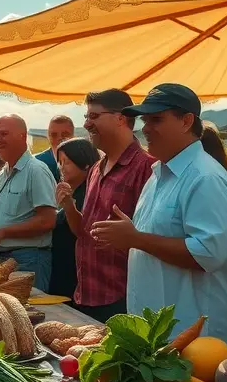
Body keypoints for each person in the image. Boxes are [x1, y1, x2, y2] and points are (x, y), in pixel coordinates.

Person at [91, 83, 227, 345]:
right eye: (145, 120)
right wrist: (129, 236)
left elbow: (207, 254)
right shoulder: (160, 175)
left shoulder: (205, 177)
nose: (145, 128)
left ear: (186, 121)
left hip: (195, 339)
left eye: (156, 119)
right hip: (160, 335)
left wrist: (136, 239)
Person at [60, 89, 157, 322]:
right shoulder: (96, 168)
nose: (86, 124)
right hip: (87, 293)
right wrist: (68, 207)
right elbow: (83, 232)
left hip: (122, 298)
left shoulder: (147, 168)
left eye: (94, 117)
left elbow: (152, 238)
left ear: (121, 118)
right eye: (86, 117)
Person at [0, 115, 57, 291]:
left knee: (30, 315)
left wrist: (2, 232)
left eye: (4, 134)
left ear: (23, 136)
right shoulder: (4, 173)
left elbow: (47, 220)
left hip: (28, 259)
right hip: (3, 260)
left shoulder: (36, 170)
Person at [51, 137, 96, 300]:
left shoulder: (90, 194)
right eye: (60, 162)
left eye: (67, 162)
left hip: (76, 274)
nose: (61, 168)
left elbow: (83, 230)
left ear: (84, 163)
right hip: (62, 269)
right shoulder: (67, 192)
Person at [34, 115, 75, 182]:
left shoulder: (83, 162)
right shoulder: (37, 163)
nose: (60, 138)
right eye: (54, 135)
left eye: (65, 134)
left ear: (73, 136)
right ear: (48, 137)